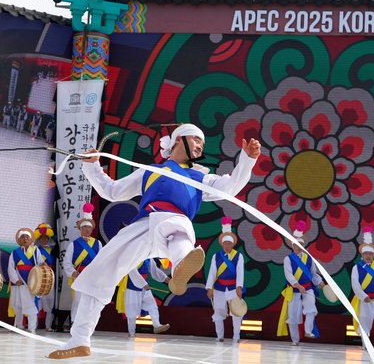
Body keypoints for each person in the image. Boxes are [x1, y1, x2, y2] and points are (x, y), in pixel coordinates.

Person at [47, 123, 260, 359]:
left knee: (179, 232)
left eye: (202, 143)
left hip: (174, 220)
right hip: (143, 224)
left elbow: (229, 187)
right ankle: (79, 340)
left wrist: (247, 161)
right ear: (179, 140)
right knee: (98, 274)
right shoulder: (148, 171)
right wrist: (92, 166)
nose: (200, 146)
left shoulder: (201, 177)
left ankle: (181, 264)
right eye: (196, 140)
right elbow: (112, 191)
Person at [277, 220, 325, 346]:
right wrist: (298, 285)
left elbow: (313, 274)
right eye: (296, 244)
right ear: (292, 245)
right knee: (293, 317)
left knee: (311, 309)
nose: (299, 246)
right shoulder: (288, 259)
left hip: (308, 289)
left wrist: (321, 284)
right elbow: (289, 275)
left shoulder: (309, 258)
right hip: (294, 290)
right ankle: (295, 340)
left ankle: (308, 331)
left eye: (301, 244)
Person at [205, 216, 245, 343]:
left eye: (229, 243)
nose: (227, 245)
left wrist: (239, 287)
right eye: (225, 243)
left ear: (233, 244)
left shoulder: (238, 256)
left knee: (236, 312)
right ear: (222, 244)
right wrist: (209, 288)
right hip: (219, 288)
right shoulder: (216, 256)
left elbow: (240, 272)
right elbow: (212, 272)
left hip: (233, 288)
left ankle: (236, 336)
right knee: (219, 311)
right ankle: (219, 336)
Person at [62, 203, 102, 325]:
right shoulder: (73, 244)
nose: (86, 229)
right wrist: (73, 272)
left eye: (88, 228)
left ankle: (89, 323)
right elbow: (67, 262)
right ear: (80, 229)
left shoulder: (98, 243)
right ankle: (74, 322)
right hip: (79, 276)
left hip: (93, 277)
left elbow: (101, 261)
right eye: (84, 227)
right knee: (78, 300)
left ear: (91, 229)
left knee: (92, 300)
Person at [116, 258, 170, 337]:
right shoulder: (133, 257)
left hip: (144, 287)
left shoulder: (148, 258)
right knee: (132, 312)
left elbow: (154, 270)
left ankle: (157, 325)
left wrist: (164, 278)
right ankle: (131, 333)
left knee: (152, 306)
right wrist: (143, 284)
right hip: (132, 288)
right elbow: (132, 272)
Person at [8, 228, 44, 334]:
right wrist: (15, 279)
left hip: (30, 282)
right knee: (17, 305)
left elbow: (40, 263)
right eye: (22, 237)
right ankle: (19, 326)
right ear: (19, 240)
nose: (25, 239)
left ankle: (31, 328)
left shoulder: (35, 250)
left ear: (30, 239)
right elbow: (11, 267)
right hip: (18, 282)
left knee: (30, 305)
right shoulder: (15, 253)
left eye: (27, 237)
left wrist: (42, 267)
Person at [35, 223, 57, 332]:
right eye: (41, 238)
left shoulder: (54, 250)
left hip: (50, 279)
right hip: (38, 279)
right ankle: (33, 325)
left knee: (50, 301)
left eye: (45, 238)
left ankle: (48, 326)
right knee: (37, 302)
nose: (43, 240)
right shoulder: (35, 250)